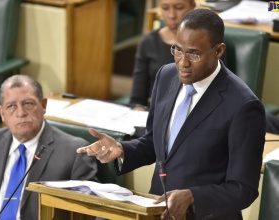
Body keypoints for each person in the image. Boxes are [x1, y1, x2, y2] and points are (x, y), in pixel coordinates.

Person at [78, 8, 265, 220]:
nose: (183, 63)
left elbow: (243, 189)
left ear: (219, 50)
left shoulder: (243, 106)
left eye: (194, 53)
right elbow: (154, 144)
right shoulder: (166, 76)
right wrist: (122, 150)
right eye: (177, 50)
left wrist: (193, 196)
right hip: (156, 211)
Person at [0, 75, 98, 220]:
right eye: (11, 106)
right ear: (2, 113)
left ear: (43, 105)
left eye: (28, 104)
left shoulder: (75, 152)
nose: (21, 113)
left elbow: (91, 211)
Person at [130, 0, 196, 110]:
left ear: (192, 7)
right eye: (165, 8)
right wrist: (139, 112)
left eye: (179, 8)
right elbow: (138, 100)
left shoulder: (208, 43)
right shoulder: (148, 42)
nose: (171, 15)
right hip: (155, 114)